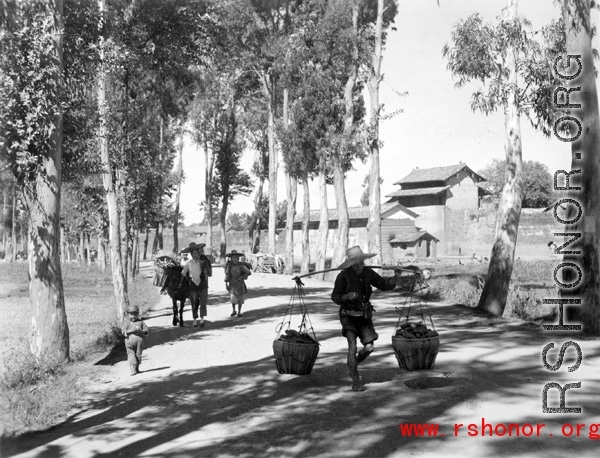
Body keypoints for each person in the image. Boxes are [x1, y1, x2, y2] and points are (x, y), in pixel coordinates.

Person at [331, 245, 408, 392]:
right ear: (351, 264)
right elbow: (335, 296)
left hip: (365, 315)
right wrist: (346, 296)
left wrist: (396, 277)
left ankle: (352, 364)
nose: (360, 266)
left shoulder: (368, 273)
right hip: (348, 316)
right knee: (352, 347)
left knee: (369, 347)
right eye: (357, 263)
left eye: (362, 262)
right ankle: (355, 381)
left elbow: (384, 285)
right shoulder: (343, 276)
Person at [181, 242, 212, 327]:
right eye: (193, 253)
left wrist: (206, 263)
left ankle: (202, 319)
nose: (195, 255)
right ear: (191, 254)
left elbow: (209, 271)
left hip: (203, 284)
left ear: (198, 253)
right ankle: (194, 320)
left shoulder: (202, 261)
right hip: (193, 285)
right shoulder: (188, 263)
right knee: (194, 303)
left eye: (196, 253)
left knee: (203, 302)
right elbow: (183, 273)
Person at [122, 305, 149, 376]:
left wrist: (141, 332)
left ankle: (137, 368)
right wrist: (132, 330)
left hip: (139, 342)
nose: (133, 316)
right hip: (129, 341)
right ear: (128, 314)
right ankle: (132, 370)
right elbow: (123, 332)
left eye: (135, 314)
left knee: (138, 354)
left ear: (138, 314)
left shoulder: (141, 322)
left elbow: (146, 331)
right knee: (131, 354)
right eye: (131, 314)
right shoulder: (126, 322)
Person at [225, 250, 252, 317]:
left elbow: (248, 272)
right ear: (231, 259)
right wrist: (226, 284)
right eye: (233, 258)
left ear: (238, 258)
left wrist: (241, 277)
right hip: (232, 284)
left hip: (240, 284)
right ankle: (234, 310)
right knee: (232, 298)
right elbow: (227, 275)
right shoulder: (229, 266)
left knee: (240, 299)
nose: (234, 259)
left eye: (235, 257)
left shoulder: (241, 266)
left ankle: (239, 311)